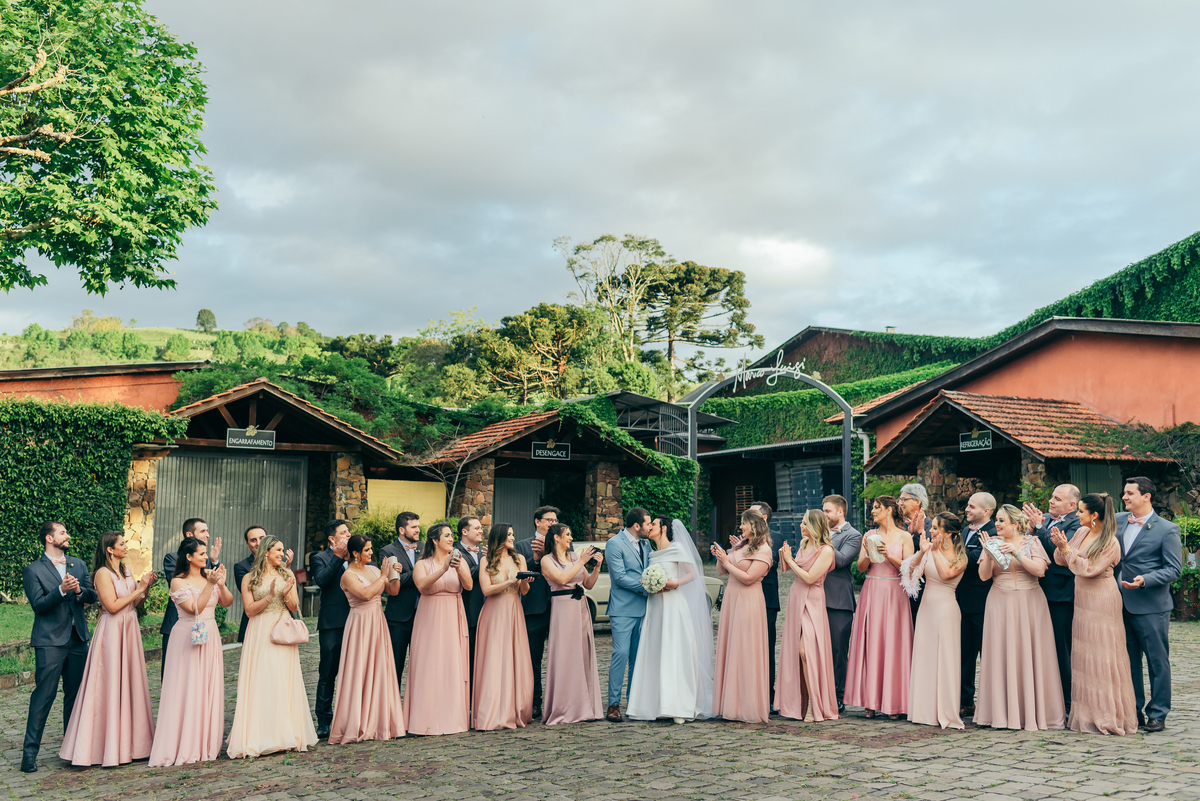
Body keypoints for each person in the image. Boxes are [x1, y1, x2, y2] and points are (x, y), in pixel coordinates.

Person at [58, 532, 156, 767]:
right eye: (122, 544)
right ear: (110, 549)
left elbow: (136, 603)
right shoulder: (102, 573)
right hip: (113, 630)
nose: (126, 546)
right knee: (110, 684)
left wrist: (146, 588)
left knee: (130, 683)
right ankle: (104, 746)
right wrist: (139, 588)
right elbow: (112, 606)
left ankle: (135, 746)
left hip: (130, 628)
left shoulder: (126, 570)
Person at [1050, 494, 1137, 735]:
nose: (1077, 515)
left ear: (1094, 515)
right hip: (1082, 599)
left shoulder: (1110, 542)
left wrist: (1067, 549)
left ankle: (1108, 714)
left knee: (1102, 653)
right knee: (1084, 654)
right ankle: (1086, 713)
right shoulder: (1081, 533)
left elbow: (1088, 569)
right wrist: (1062, 547)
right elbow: (1062, 561)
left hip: (1101, 600)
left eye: (1081, 511)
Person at [974, 504, 1064, 731]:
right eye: (996, 520)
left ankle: (1033, 713)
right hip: (999, 603)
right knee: (1002, 653)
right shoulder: (992, 543)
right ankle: (1001, 714)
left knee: (1031, 654)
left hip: (1029, 603)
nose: (996, 524)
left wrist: (1016, 553)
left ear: (1015, 524)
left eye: (1001, 520)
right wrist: (988, 554)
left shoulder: (1032, 542)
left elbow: (1039, 571)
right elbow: (983, 577)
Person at [227, 535, 318, 757]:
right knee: (262, 678)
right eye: (278, 550)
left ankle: (285, 734)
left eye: (282, 550)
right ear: (266, 552)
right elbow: (249, 610)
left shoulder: (287, 574)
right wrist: (268, 596)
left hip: (282, 630)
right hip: (259, 631)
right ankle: (260, 735)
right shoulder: (249, 578)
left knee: (282, 678)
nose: (282, 554)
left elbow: (295, 607)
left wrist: (286, 595)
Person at [21, 522, 99, 773]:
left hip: (78, 640)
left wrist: (78, 590)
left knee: (75, 698)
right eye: (62, 533)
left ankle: (74, 752)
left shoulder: (78, 564)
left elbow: (93, 595)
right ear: (49, 538)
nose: (68, 536)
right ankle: (29, 755)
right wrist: (60, 590)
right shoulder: (33, 570)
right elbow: (38, 605)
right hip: (49, 642)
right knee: (43, 697)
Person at [150, 536, 234, 766]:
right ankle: (183, 743)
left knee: (207, 686)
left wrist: (221, 584)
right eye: (201, 554)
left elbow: (227, 602)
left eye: (206, 553)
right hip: (187, 637)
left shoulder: (209, 576)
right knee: (187, 687)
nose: (206, 557)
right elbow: (194, 608)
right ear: (188, 557)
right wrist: (210, 585)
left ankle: (205, 742)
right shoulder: (178, 581)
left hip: (210, 634)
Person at [627, 516, 714, 724]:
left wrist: (676, 583)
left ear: (664, 528)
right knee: (655, 651)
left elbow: (692, 573)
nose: (650, 527)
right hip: (656, 606)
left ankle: (679, 706)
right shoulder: (651, 554)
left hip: (674, 605)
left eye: (654, 524)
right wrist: (648, 583)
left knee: (675, 652)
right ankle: (655, 705)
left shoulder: (677, 549)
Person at [1116, 476, 1183, 733]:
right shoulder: (1118, 521)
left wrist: (1146, 580)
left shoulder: (1167, 529)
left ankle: (1158, 713)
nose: (1124, 497)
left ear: (1146, 496)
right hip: (1120, 604)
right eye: (1124, 492)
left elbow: (1173, 569)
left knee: (1157, 663)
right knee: (1128, 663)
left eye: (1130, 493)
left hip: (1152, 606)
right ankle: (1133, 712)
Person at [330, 535, 406, 743]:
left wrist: (394, 575)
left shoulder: (373, 570)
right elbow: (364, 594)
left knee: (379, 668)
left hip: (378, 622)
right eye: (367, 550)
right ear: (355, 553)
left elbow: (393, 591)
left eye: (371, 549)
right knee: (360, 669)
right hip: (360, 624)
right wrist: (383, 576)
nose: (371, 553)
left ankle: (379, 722)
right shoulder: (348, 575)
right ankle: (358, 722)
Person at [845, 496, 914, 719]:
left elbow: (909, 568)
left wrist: (888, 555)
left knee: (893, 644)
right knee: (872, 642)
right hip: (872, 590)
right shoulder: (869, 535)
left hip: (895, 593)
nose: (873, 511)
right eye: (873, 508)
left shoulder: (905, 537)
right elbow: (861, 568)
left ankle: (893, 702)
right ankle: (870, 701)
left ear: (889, 510)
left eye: (877, 507)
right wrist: (867, 552)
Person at [405, 522, 473, 735]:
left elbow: (469, 586)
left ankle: (452, 718)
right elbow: (421, 585)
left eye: (452, 535)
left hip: (453, 615)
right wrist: (443, 569)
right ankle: (425, 719)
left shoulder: (459, 560)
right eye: (447, 536)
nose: (451, 539)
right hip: (430, 618)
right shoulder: (422, 564)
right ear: (435, 540)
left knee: (451, 664)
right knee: (430, 664)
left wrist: (458, 568)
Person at [904, 513, 967, 730]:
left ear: (947, 533)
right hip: (926, 610)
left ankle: (945, 711)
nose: (930, 531)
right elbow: (910, 571)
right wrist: (922, 552)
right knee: (926, 657)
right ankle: (924, 710)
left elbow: (945, 574)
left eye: (935, 528)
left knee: (945, 659)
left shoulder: (960, 557)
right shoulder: (929, 549)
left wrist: (935, 551)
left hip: (946, 609)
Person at [709, 509, 773, 723]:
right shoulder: (740, 545)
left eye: (744, 523)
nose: (741, 526)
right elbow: (722, 571)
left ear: (754, 526)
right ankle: (729, 704)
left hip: (748, 600)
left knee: (745, 649)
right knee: (731, 647)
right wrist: (721, 557)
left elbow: (748, 578)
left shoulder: (764, 549)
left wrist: (726, 561)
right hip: (732, 599)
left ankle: (746, 706)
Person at [1025, 484, 1082, 716]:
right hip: (1035, 590)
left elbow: (1056, 552)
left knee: (1061, 648)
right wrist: (1031, 529)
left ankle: (1067, 703)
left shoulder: (1077, 524)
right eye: (1052, 497)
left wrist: (1039, 527)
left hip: (1060, 595)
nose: (1051, 501)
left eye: (1057, 499)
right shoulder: (1045, 519)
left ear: (1072, 505)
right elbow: (1029, 546)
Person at [776, 509, 837, 722]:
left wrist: (790, 560)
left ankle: (814, 703)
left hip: (813, 600)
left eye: (804, 523)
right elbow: (787, 570)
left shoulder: (826, 551)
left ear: (814, 526)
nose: (801, 526)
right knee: (795, 650)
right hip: (796, 597)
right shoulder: (803, 544)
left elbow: (810, 578)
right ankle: (799, 702)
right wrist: (785, 557)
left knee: (806, 651)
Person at [473, 523, 536, 730]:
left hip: (514, 611)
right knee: (494, 659)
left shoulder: (520, 559)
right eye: (509, 534)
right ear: (499, 537)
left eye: (513, 534)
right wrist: (510, 581)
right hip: (493, 613)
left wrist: (525, 581)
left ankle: (513, 709)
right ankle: (491, 711)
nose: (513, 537)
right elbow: (486, 589)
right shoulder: (486, 560)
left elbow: (524, 591)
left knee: (514, 658)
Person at [541, 523, 605, 725]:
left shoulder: (575, 557)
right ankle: (564, 707)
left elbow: (588, 584)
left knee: (582, 653)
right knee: (565, 654)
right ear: (556, 537)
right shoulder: (547, 560)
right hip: (562, 609)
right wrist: (582, 561)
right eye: (567, 534)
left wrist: (596, 568)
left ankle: (584, 706)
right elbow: (561, 579)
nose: (570, 537)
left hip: (580, 607)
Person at [604, 507, 653, 722]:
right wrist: (649, 588)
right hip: (623, 609)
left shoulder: (646, 544)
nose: (650, 527)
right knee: (621, 653)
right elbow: (620, 577)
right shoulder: (614, 544)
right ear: (636, 525)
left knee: (637, 657)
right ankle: (613, 704)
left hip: (644, 609)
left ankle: (633, 701)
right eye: (647, 523)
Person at [160, 518, 222, 678]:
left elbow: (220, 589)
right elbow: (180, 582)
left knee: (203, 674)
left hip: (205, 626)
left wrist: (214, 562)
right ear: (189, 534)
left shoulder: (208, 561)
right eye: (203, 531)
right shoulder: (172, 558)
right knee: (176, 674)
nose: (208, 535)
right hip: (179, 621)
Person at [513, 505, 559, 719]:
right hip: (534, 608)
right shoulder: (522, 546)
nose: (553, 523)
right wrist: (537, 559)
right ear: (537, 521)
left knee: (561, 656)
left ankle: (558, 701)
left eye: (555, 520)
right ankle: (534, 702)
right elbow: (520, 573)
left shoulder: (562, 543)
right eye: (549, 520)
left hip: (559, 606)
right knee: (533, 659)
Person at [957, 491, 996, 719]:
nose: (967, 509)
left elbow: (975, 560)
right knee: (965, 654)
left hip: (983, 602)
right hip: (962, 600)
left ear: (986, 511)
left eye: (972, 506)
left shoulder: (994, 532)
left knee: (987, 653)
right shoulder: (965, 531)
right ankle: (965, 701)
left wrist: (954, 551)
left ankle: (990, 702)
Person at [311, 519, 351, 740]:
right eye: (343, 533)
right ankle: (324, 721)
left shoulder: (356, 554)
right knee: (327, 673)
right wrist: (338, 557)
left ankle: (351, 717)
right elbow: (322, 581)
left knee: (354, 670)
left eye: (348, 531)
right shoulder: (320, 558)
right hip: (332, 623)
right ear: (332, 539)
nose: (348, 535)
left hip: (356, 620)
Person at [822, 494, 862, 714]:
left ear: (840, 511)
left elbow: (842, 560)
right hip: (816, 597)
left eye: (828, 511)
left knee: (838, 651)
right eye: (823, 511)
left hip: (838, 600)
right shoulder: (821, 533)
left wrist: (822, 539)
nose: (825, 515)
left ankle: (838, 696)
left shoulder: (853, 535)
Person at [380, 511, 422, 699]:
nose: (418, 530)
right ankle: (392, 707)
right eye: (414, 527)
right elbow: (392, 582)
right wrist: (419, 575)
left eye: (418, 526)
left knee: (421, 665)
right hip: (398, 617)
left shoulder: (425, 547)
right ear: (402, 530)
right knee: (395, 665)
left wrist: (405, 575)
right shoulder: (387, 551)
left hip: (423, 615)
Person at [456, 515, 486, 692]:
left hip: (487, 612)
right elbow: (466, 576)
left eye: (481, 527)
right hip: (468, 613)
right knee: (468, 660)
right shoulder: (455, 553)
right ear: (464, 532)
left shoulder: (484, 552)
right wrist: (486, 562)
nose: (481, 531)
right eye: (477, 528)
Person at [898, 484, 933, 623]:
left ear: (918, 501)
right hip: (898, 589)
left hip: (921, 591)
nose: (900, 503)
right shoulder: (899, 526)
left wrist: (918, 532)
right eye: (899, 499)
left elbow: (926, 554)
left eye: (904, 499)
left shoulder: (932, 526)